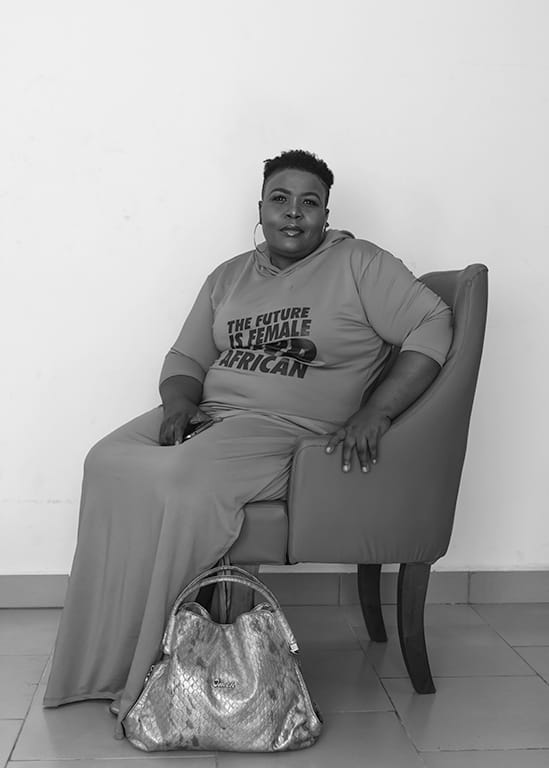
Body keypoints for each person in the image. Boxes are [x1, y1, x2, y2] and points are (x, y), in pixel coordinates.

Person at [43, 149, 453, 738]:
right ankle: (99, 662)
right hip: (211, 413)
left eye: (309, 202)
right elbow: (186, 357)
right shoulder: (230, 275)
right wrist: (180, 403)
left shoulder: (360, 263)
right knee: (106, 462)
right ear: (259, 208)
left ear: (326, 212)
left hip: (288, 427)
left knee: (181, 480)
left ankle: (159, 672)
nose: (294, 213)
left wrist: (376, 411)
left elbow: (431, 324)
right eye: (280, 200)